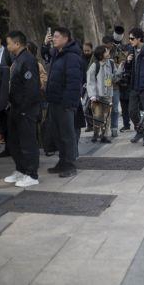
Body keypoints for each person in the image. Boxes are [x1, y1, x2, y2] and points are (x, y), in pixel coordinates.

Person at [3, 31, 41, 188]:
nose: (7, 46)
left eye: (9, 43)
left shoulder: (28, 60)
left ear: (17, 44)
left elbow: (31, 89)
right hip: (15, 108)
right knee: (14, 141)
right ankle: (21, 169)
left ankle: (32, 174)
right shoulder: (17, 59)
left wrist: (24, 109)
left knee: (28, 142)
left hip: (26, 109)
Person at [43, 27, 83, 178]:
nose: (54, 39)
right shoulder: (57, 54)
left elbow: (74, 82)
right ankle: (62, 161)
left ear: (66, 39)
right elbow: (46, 55)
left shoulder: (71, 56)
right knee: (57, 133)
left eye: (57, 37)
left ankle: (70, 164)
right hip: (54, 101)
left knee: (67, 134)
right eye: (53, 37)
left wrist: (69, 102)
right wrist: (45, 45)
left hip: (65, 103)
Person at [87, 45, 118, 143]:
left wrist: (120, 70)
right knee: (97, 116)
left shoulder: (111, 64)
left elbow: (115, 78)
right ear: (101, 55)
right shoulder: (95, 66)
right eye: (106, 51)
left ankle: (104, 135)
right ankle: (96, 133)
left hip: (108, 95)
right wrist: (92, 95)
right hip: (97, 96)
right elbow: (90, 81)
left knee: (106, 117)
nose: (108, 53)